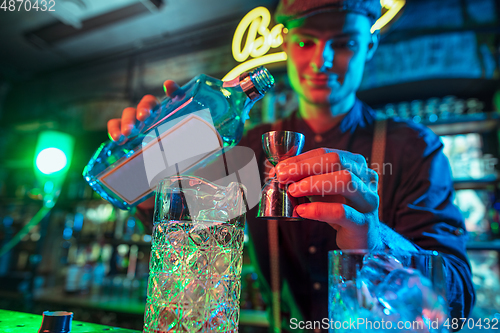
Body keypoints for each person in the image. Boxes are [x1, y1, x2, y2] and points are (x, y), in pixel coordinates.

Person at [107, 0, 475, 331]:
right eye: (305, 42)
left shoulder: (413, 147)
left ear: (369, 47)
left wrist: (376, 242)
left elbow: (456, 301)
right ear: (284, 46)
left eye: (344, 43)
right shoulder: (248, 146)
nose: (322, 61)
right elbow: (194, 240)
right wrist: (146, 176)